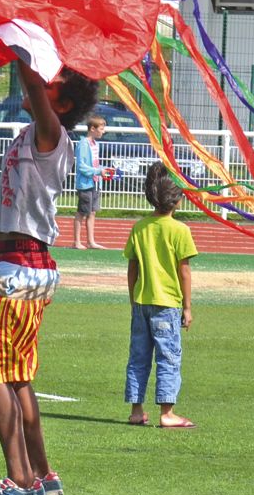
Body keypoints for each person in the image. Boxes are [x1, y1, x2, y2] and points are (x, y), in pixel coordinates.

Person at [0, 62, 101, 495]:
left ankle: (20, 481)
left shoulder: (52, 134)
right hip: (30, 266)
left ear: (60, 104)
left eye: (51, 85)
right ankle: (42, 476)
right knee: (18, 377)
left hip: (19, 267)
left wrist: (21, 47)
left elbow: (30, 81)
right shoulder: (38, 132)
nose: (40, 82)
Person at [123, 163, 197, 429]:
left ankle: (136, 409)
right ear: (177, 200)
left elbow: (132, 267)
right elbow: (184, 271)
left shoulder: (140, 227)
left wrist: (133, 298)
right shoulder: (180, 230)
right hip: (166, 305)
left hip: (142, 301)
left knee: (138, 356)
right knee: (167, 357)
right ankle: (167, 411)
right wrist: (187, 307)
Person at [71, 114, 107, 249]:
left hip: (95, 183)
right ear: (93, 128)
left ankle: (91, 241)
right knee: (82, 212)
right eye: (101, 129)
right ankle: (76, 241)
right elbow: (82, 166)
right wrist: (98, 171)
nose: (103, 131)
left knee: (92, 212)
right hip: (86, 184)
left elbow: (95, 164)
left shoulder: (95, 144)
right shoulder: (83, 144)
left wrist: (104, 170)